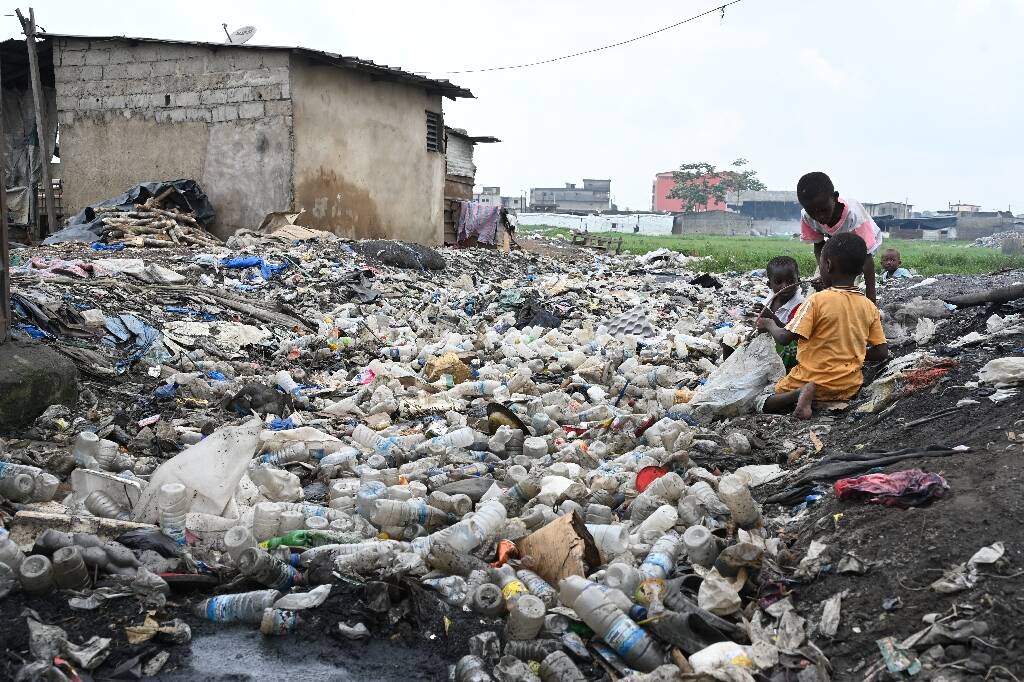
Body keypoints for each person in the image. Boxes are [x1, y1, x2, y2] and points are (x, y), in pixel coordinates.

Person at [756, 233, 889, 419]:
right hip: (848, 388)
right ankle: (817, 400)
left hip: (810, 380)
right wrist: (849, 352)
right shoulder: (869, 306)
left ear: (827, 265)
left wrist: (769, 323)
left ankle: (798, 393)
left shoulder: (815, 301)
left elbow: (785, 338)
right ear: (860, 271)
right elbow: (882, 352)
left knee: (760, 400)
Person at [796, 172, 883, 304]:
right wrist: (824, 274)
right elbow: (819, 245)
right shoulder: (807, 217)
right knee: (817, 293)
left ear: (835, 197)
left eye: (824, 210)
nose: (820, 217)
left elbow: (866, 259)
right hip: (835, 243)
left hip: (862, 244)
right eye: (813, 212)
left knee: (846, 290)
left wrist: (872, 301)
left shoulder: (854, 217)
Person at [754, 256, 805, 371]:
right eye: (778, 282)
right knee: (729, 342)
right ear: (769, 285)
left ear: (799, 281)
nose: (785, 286)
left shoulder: (801, 305)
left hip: (790, 349)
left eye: (790, 281)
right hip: (770, 344)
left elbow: (790, 335)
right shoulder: (770, 299)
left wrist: (771, 317)